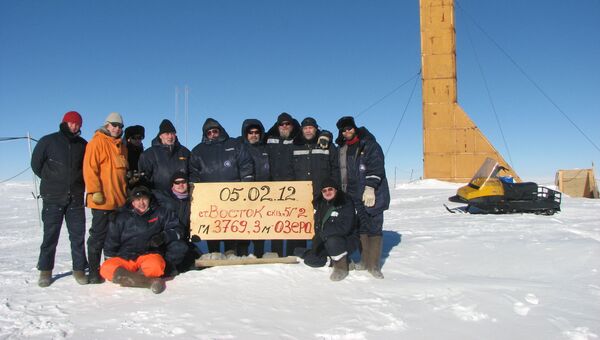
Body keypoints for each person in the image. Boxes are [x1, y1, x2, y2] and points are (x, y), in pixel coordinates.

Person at [31, 111, 89, 287]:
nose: (74, 126)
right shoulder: (48, 141)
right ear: (64, 123)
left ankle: (79, 270)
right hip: (53, 197)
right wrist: (51, 180)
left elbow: (87, 168)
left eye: (77, 124)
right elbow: (36, 165)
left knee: (78, 236)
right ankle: (45, 271)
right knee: (50, 235)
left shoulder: (82, 144)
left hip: (75, 197)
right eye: (71, 123)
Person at [100, 186, 187, 294]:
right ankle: (148, 282)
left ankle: (128, 279)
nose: (141, 203)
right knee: (106, 268)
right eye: (137, 200)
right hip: (126, 257)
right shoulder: (121, 217)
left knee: (156, 266)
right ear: (132, 202)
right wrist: (109, 258)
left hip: (148, 255)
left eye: (144, 199)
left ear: (149, 199)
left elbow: (178, 230)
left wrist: (163, 236)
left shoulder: (161, 213)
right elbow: (111, 241)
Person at [189, 118, 254, 256]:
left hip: (233, 195)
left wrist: (247, 184)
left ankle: (231, 251)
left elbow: (246, 165)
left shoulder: (234, 145)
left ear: (220, 131)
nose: (213, 134)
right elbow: (193, 172)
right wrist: (194, 189)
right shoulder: (198, 150)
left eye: (215, 131)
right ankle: (214, 251)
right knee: (213, 224)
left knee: (231, 223)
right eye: (209, 132)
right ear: (205, 134)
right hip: (210, 197)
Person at [335, 116, 390, 279]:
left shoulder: (370, 145)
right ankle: (365, 261)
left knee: (375, 226)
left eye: (349, 128)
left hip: (372, 193)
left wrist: (370, 187)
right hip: (352, 194)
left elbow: (376, 167)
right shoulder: (342, 148)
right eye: (344, 130)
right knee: (361, 226)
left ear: (355, 128)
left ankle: (374, 265)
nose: (347, 131)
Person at [83, 112, 129, 283]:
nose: (117, 128)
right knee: (98, 237)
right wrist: (95, 191)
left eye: (120, 126)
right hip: (102, 201)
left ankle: (111, 268)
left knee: (114, 237)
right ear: (107, 125)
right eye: (114, 125)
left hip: (118, 200)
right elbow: (89, 169)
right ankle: (94, 272)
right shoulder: (97, 142)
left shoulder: (121, 146)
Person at [300, 178, 358, 281]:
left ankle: (342, 267)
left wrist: (324, 233)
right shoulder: (321, 204)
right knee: (309, 260)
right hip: (325, 240)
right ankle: (331, 260)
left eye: (330, 189)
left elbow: (345, 227)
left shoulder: (345, 202)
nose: (327, 192)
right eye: (324, 190)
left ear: (336, 189)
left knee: (333, 240)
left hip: (345, 241)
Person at [264, 112, 300, 257]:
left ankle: (294, 253)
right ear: (277, 126)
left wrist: (326, 135)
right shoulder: (269, 138)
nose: (285, 126)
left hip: (294, 188)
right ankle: (276, 252)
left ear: (292, 125)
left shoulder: (298, 138)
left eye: (287, 124)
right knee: (276, 221)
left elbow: (316, 133)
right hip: (274, 188)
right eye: (282, 124)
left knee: (294, 221)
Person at [153, 171, 201, 273]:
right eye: (177, 182)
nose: (180, 185)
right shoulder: (163, 197)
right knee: (179, 248)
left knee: (198, 260)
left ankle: (175, 265)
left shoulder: (192, 200)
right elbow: (142, 198)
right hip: (162, 236)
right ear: (172, 185)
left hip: (181, 236)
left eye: (183, 182)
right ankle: (166, 268)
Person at [238, 119, 271, 257]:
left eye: (257, 132)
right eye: (250, 132)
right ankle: (241, 255)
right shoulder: (239, 147)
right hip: (242, 195)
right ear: (245, 134)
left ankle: (259, 255)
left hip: (262, 195)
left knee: (259, 228)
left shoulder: (266, 148)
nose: (254, 135)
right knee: (243, 228)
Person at [138, 119, 190, 191]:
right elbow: (143, 180)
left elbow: (192, 173)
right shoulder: (148, 154)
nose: (170, 137)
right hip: (158, 198)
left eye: (172, 133)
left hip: (181, 197)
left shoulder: (185, 152)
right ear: (160, 136)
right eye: (167, 134)